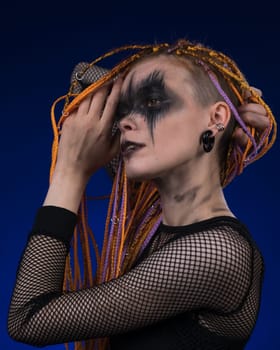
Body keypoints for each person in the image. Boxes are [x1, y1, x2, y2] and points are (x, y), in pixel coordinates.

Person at [8, 39, 277, 350]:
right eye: (125, 109)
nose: (124, 121)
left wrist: (70, 172)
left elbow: (29, 319)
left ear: (215, 118)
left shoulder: (218, 252)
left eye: (152, 102)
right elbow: (82, 76)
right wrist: (233, 96)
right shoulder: (150, 214)